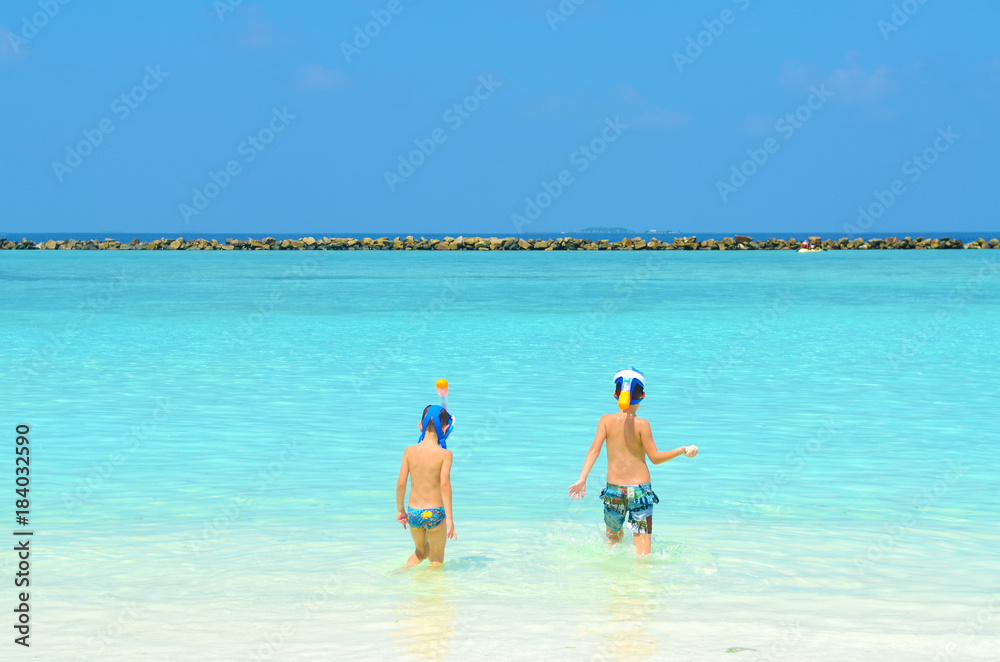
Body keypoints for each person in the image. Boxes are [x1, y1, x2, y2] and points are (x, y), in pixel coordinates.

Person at [568, 367, 698, 556]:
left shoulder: (605, 421)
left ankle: (615, 584)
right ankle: (642, 583)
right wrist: (681, 450)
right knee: (643, 552)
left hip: (614, 491)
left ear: (615, 393)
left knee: (612, 546)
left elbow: (594, 450)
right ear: (643, 395)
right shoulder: (643, 425)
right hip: (641, 492)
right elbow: (655, 458)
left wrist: (582, 478)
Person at [396, 405, 457, 568]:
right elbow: (445, 485)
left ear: (420, 426)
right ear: (445, 429)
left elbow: (401, 483)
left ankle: (401, 571)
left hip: (414, 514)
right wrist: (449, 518)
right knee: (436, 559)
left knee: (420, 553)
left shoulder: (409, 451)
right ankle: (434, 593)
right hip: (435, 513)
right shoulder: (445, 455)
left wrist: (401, 510)